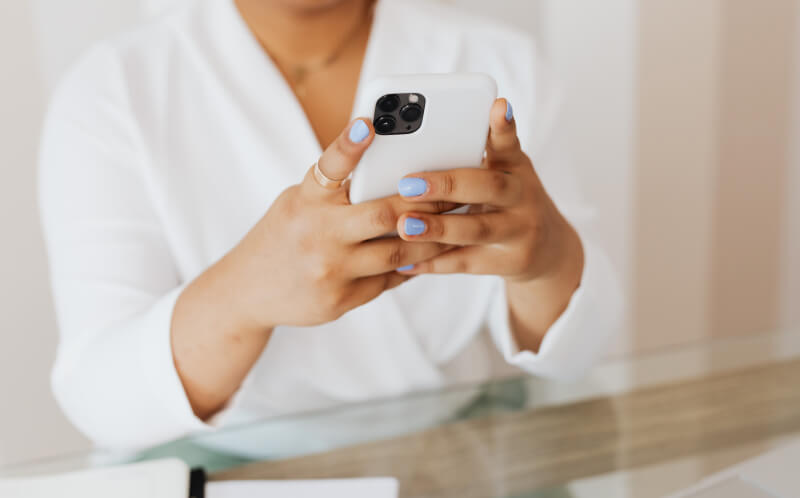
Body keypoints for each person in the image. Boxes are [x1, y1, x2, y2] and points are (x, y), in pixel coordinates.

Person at [39, 0, 622, 449]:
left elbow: (579, 353)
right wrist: (243, 294)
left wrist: (546, 260)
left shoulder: (499, 65)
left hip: (458, 456)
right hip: (228, 467)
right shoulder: (113, 90)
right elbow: (100, 397)